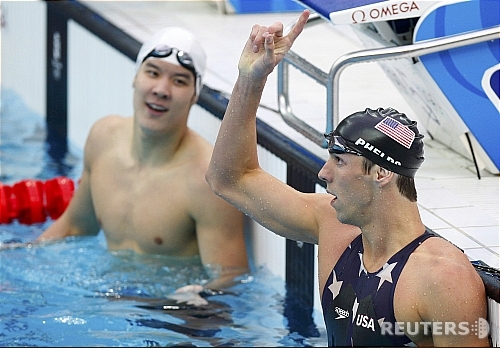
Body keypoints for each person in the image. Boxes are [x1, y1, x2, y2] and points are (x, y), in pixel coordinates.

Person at [205, 9, 489, 346]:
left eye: (339, 161)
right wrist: (252, 80)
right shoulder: (333, 225)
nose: (323, 173)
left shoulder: (443, 278)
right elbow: (228, 178)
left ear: (382, 173)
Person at [10, 26, 249, 292]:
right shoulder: (103, 138)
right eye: (152, 72)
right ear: (135, 76)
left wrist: (196, 298)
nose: (161, 89)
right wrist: (17, 256)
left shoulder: (207, 178)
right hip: (104, 297)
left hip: (168, 317)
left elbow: (232, 276)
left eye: (179, 81)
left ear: (195, 95)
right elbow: (76, 225)